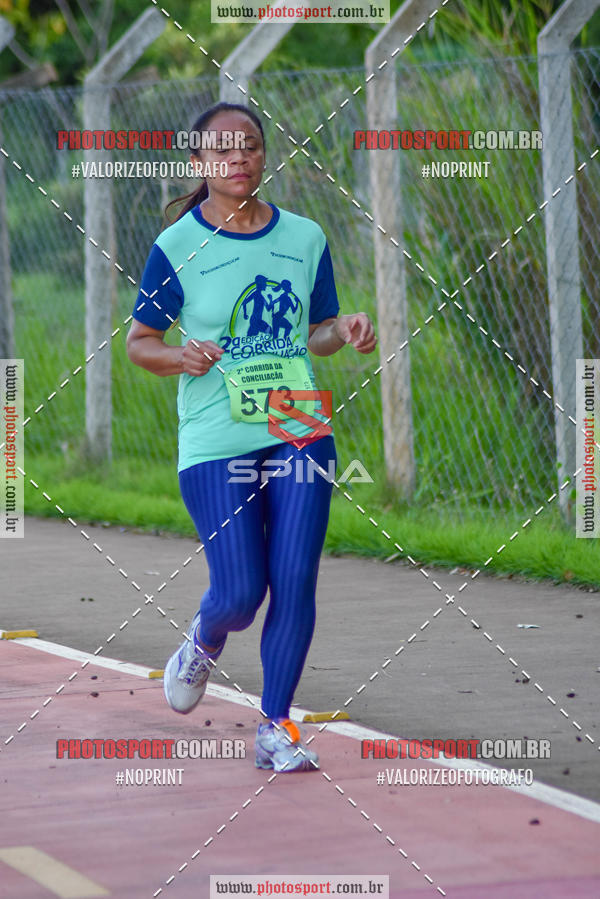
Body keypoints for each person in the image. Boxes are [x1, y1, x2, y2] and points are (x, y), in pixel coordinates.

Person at [126, 102, 377, 773]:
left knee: (294, 578)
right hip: (216, 433)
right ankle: (203, 640)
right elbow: (139, 343)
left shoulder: (305, 237)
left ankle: (275, 726)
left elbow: (315, 334)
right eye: (224, 149)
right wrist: (181, 356)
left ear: (265, 156)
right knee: (239, 592)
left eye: (251, 147)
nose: (240, 158)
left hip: (297, 417)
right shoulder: (177, 246)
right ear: (199, 164)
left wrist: (343, 328)